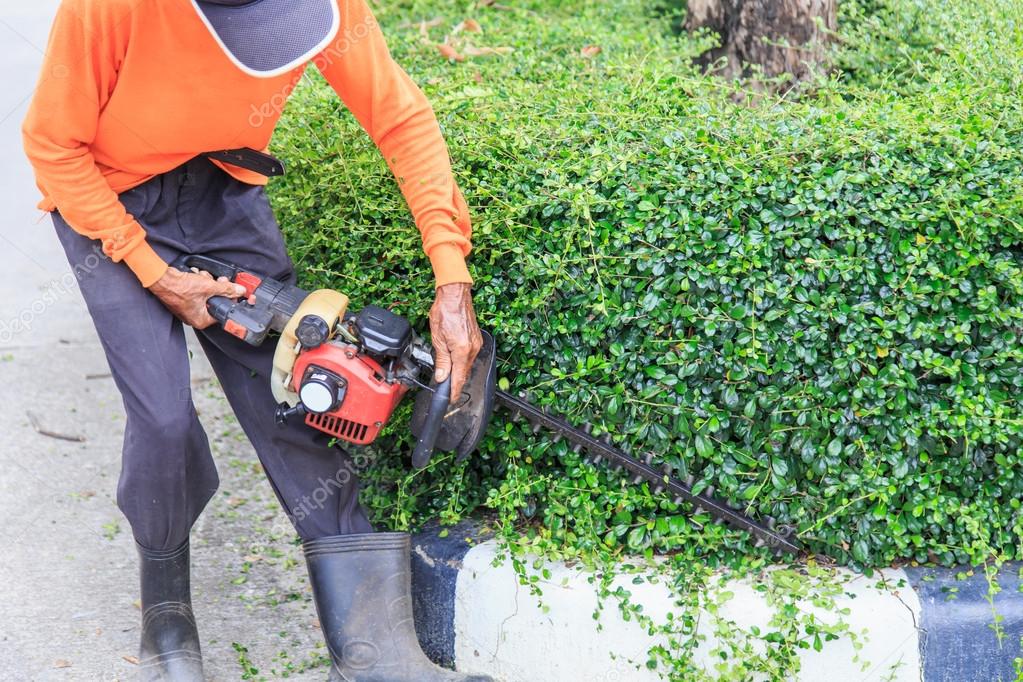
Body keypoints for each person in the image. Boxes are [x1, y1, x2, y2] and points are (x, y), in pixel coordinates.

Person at [22, 1, 489, 680]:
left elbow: (399, 115)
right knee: (163, 419)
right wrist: (155, 272)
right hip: (108, 207)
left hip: (220, 195)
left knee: (300, 396)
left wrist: (452, 276)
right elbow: (52, 146)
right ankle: (167, 617)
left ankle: (370, 651)